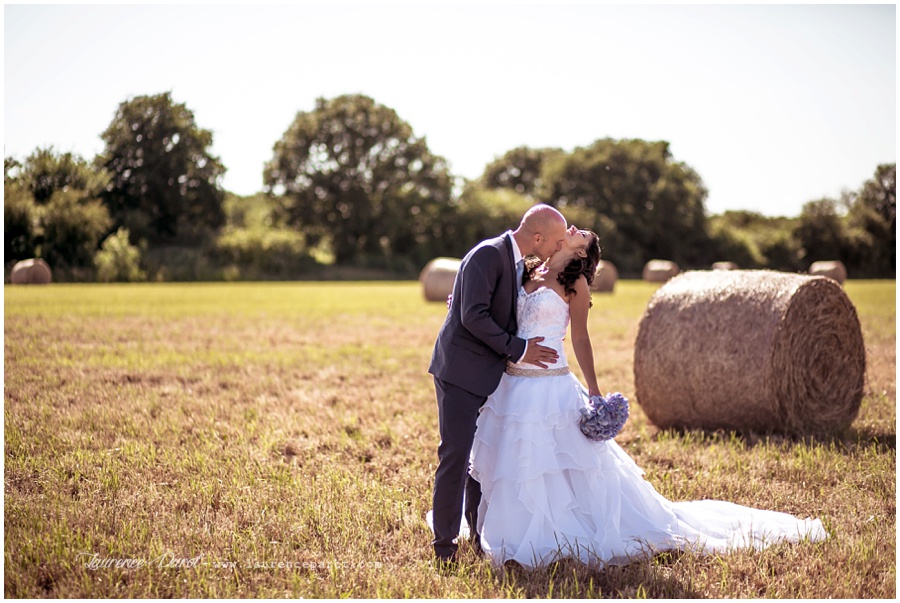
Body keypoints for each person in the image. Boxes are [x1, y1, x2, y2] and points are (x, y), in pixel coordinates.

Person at [468, 226, 828, 569]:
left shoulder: (575, 284)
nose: (573, 227)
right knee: (512, 457)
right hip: (513, 381)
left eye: (581, 234)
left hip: (551, 385)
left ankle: (547, 532)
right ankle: (503, 525)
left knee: (555, 461)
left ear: (580, 251)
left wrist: (593, 390)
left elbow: (580, 339)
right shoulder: (527, 269)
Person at [428, 204, 569, 563]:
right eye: (555, 241)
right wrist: (520, 348)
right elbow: (472, 315)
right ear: (537, 237)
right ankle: (444, 547)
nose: (557, 248)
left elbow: (499, 307)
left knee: (480, 460)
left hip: (490, 374)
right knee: (456, 456)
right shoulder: (489, 255)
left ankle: (477, 535)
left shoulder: (520, 261)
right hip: (460, 372)